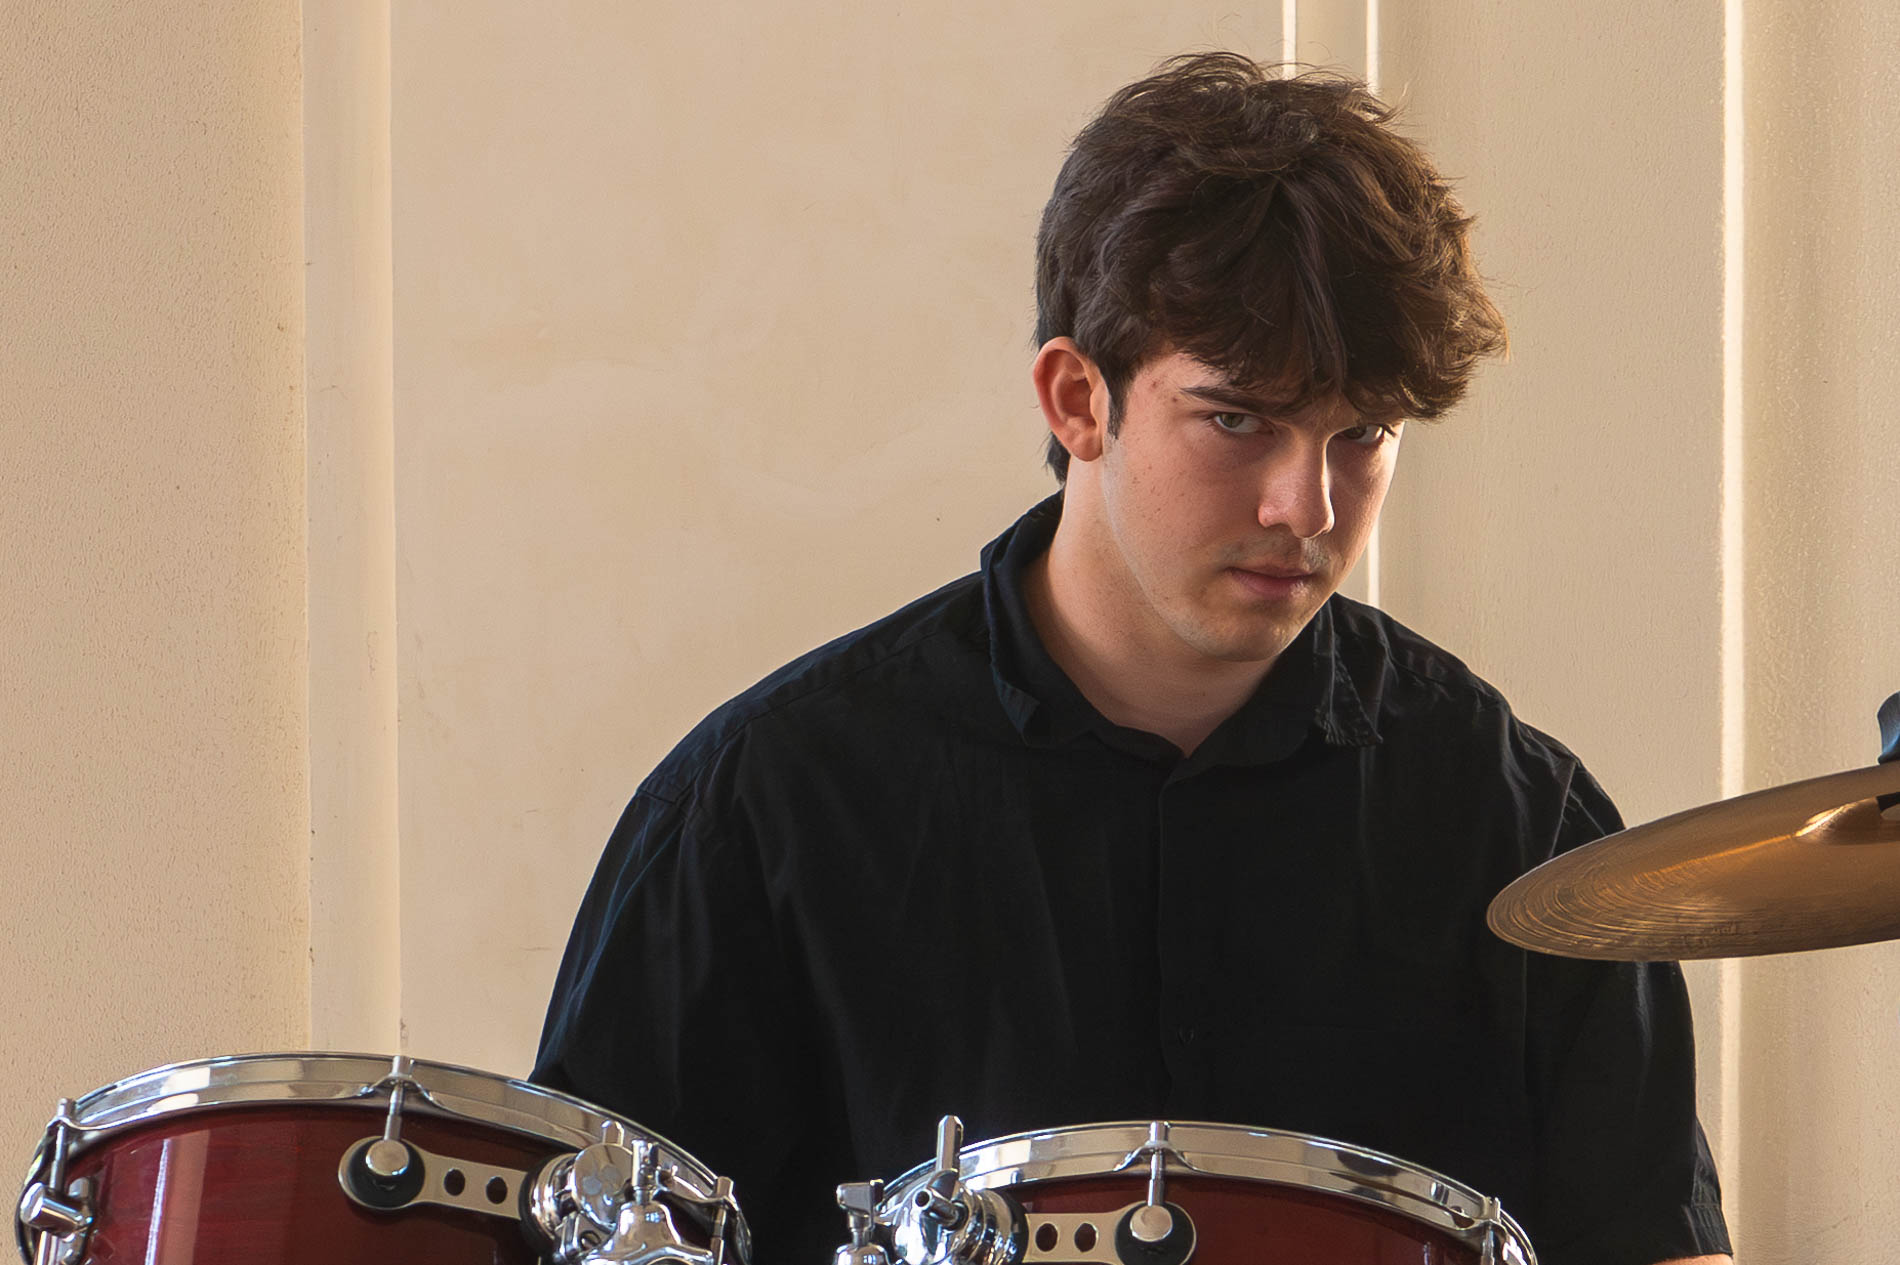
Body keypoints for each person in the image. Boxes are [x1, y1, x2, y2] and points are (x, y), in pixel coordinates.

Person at [532, 53, 1733, 1265]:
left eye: (1360, 434)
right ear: (1076, 399)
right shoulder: (760, 808)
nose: (1306, 507)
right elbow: (595, 1229)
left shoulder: (1520, 823)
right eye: (1237, 418)